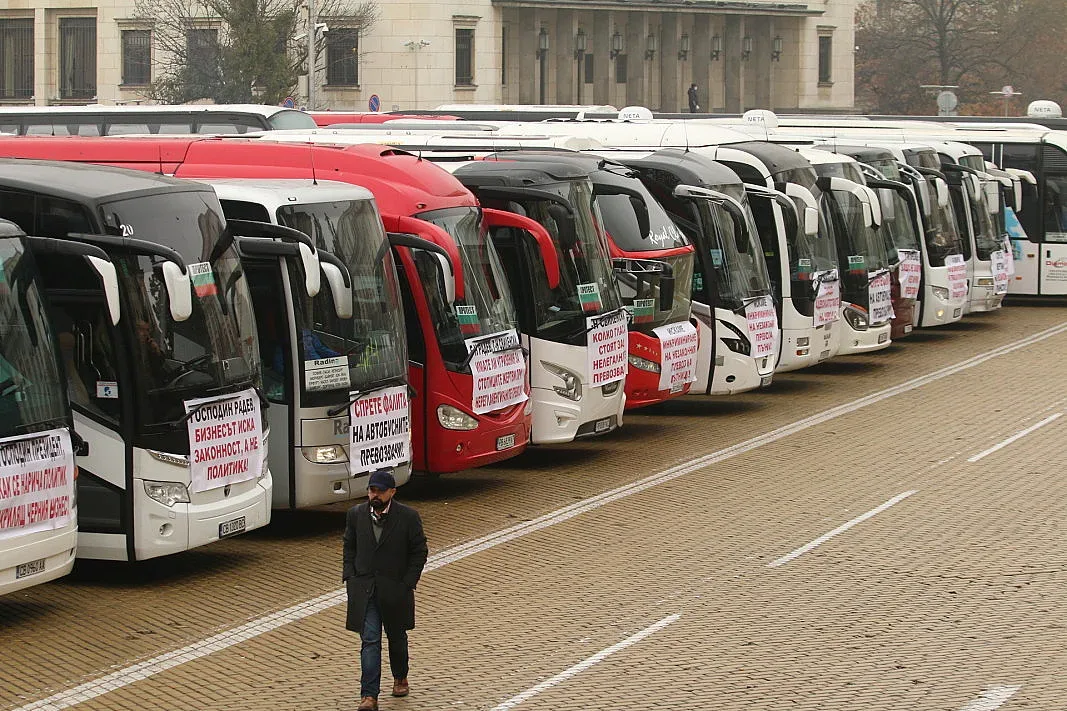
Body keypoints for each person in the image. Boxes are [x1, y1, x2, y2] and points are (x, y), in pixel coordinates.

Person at [343, 469, 428, 711]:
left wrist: (408, 582)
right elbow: (349, 546)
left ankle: (400, 676)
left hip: (395, 590)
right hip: (365, 589)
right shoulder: (355, 515)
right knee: (370, 640)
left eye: (380, 491)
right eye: (372, 490)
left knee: (397, 637)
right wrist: (350, 576)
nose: (375, 495)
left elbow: (419, 551)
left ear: (392, 492)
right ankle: (369, 696)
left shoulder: (408, 517)